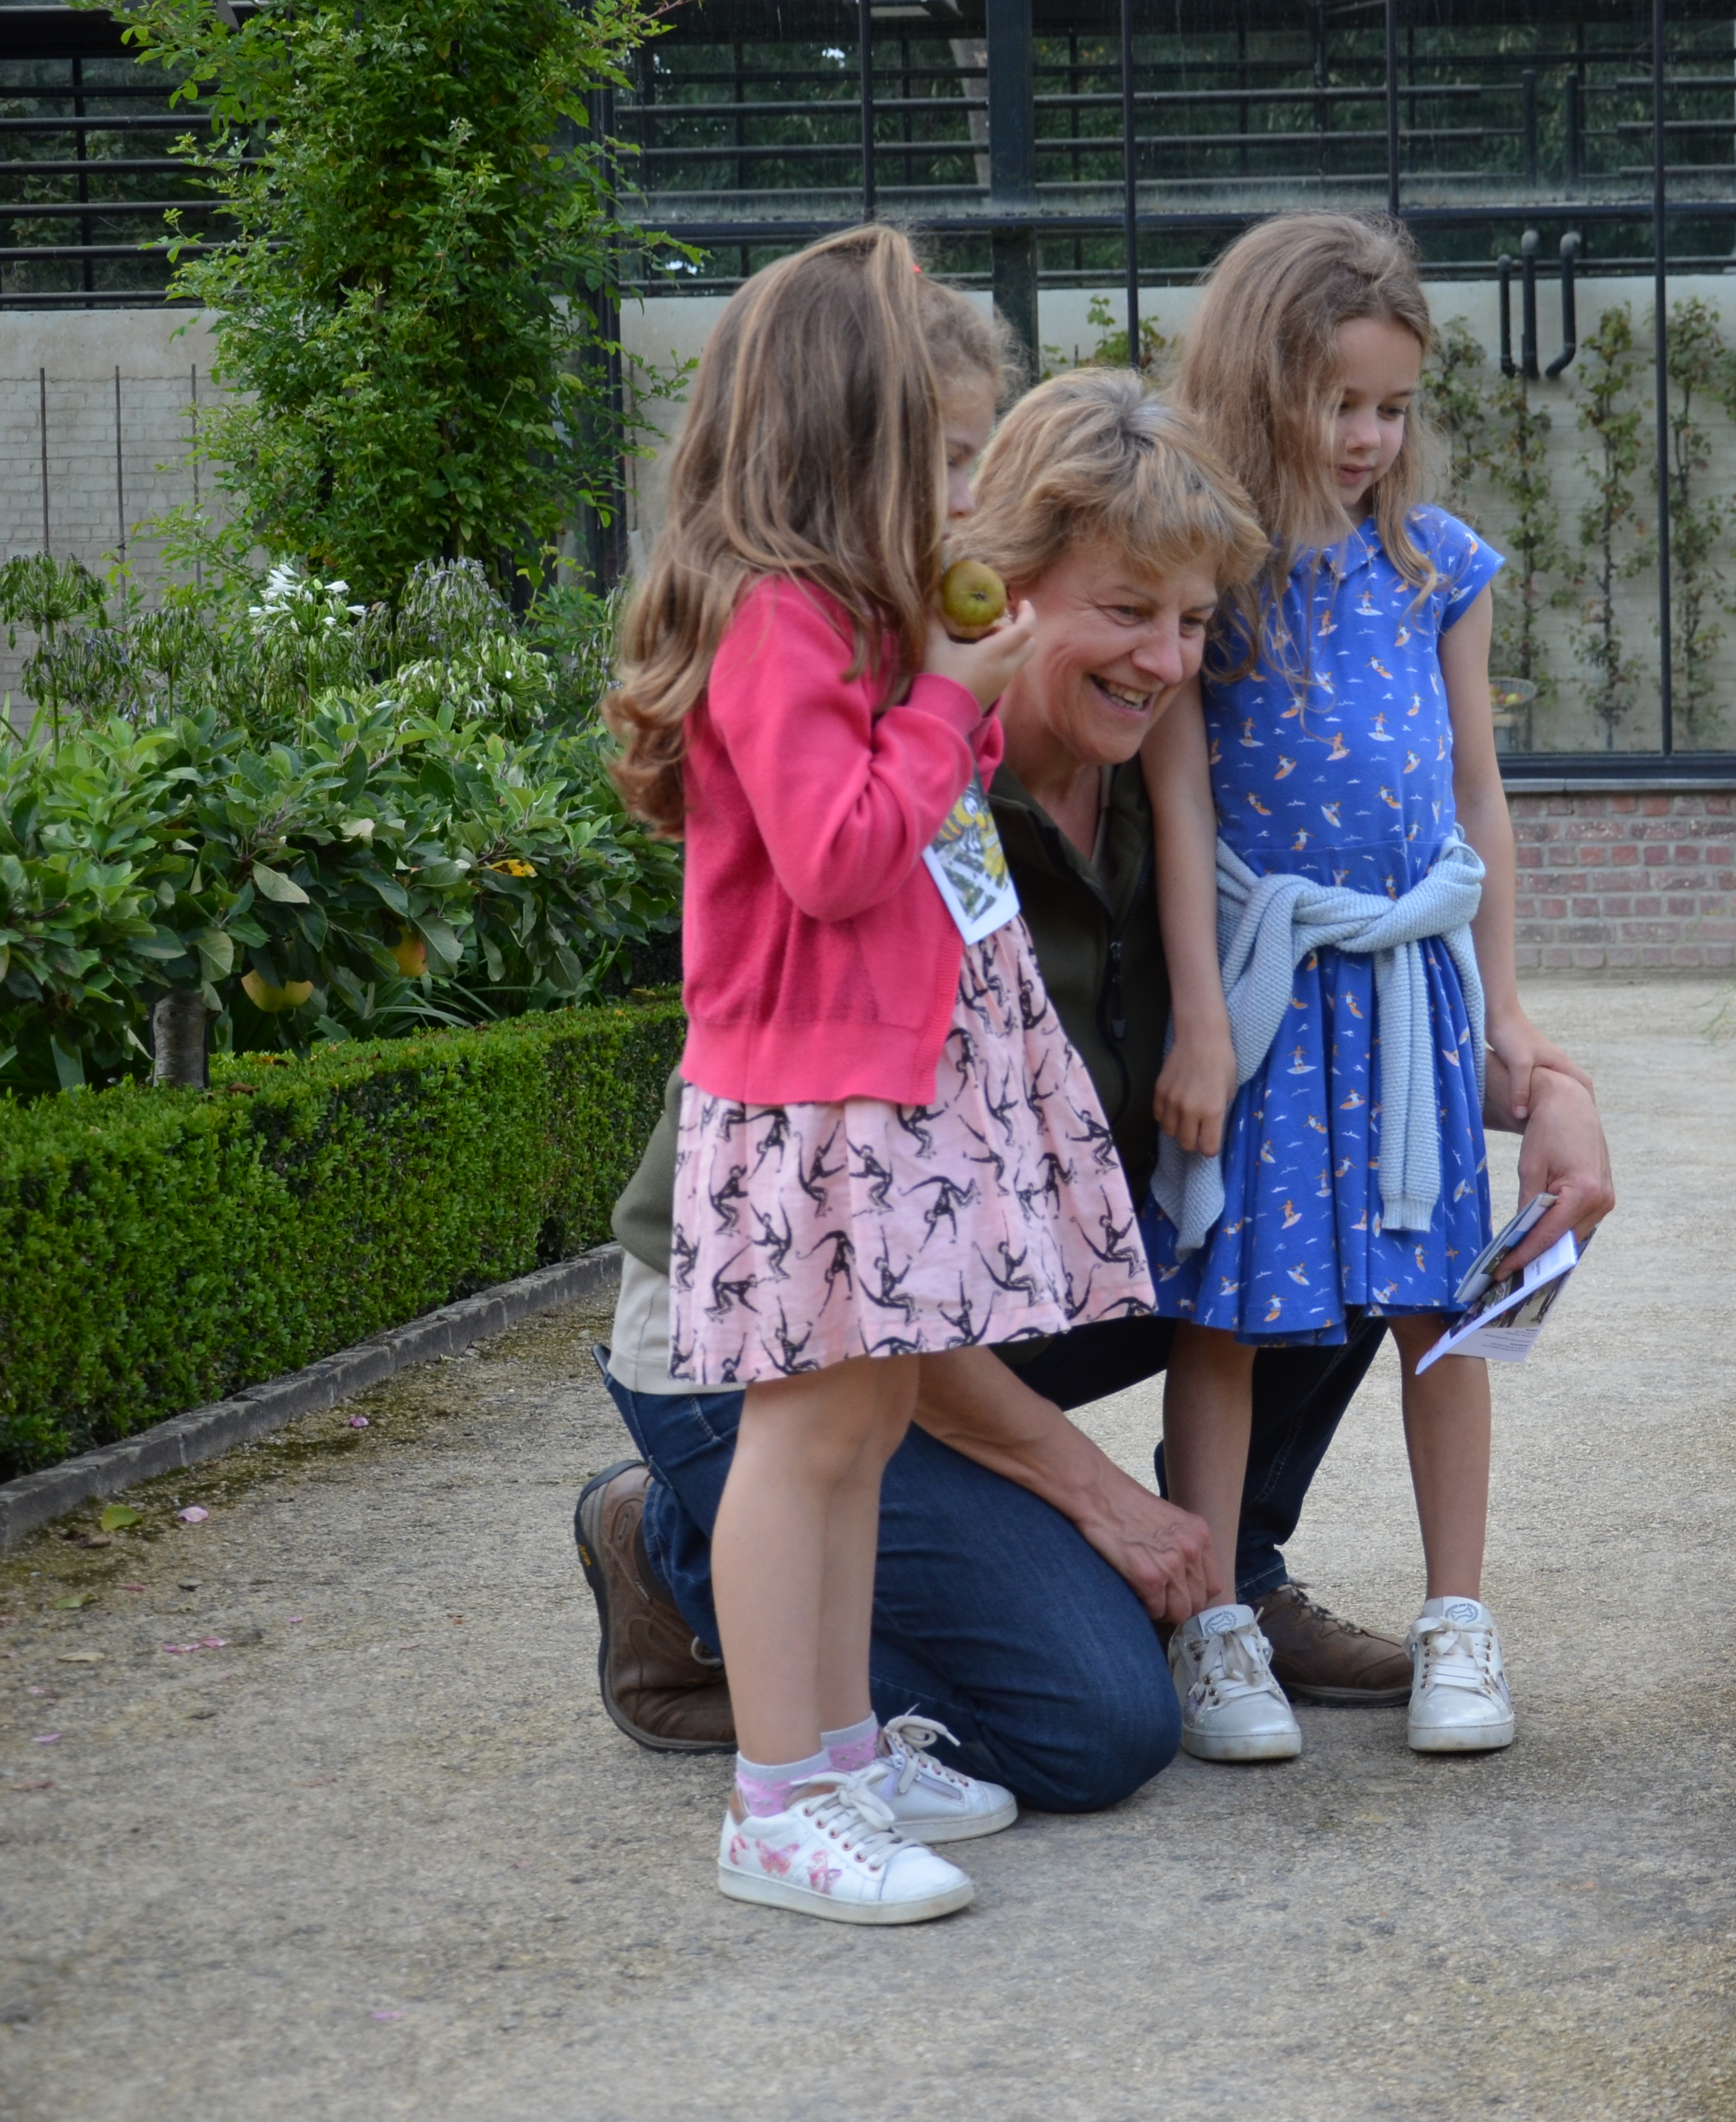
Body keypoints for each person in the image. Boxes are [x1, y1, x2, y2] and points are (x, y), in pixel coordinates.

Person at [577, 368, 1618, 1823]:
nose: (1166, 661)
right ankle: (680, 1558)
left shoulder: (1169, 799)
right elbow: (869, 1238)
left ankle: (1230, 1586)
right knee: (1091, 1727)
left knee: (1313, 1208)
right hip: (773, 1331)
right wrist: (1093, 1492)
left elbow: (1342, 1028)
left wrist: (1547, 1081)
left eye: (1194, 624)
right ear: (998, 589)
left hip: (989, 1287)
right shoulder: (917, 789)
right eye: (1123, 612)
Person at [600, 227, 1164, 1925]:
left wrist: (938, 688)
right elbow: (844, 854)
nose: (965, 489)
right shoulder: (778, 621)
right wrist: (941, 692)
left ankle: (836, 1746)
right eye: (942, 454)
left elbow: (909, 805)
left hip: (875, 1092)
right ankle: (780, 1802)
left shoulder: (847, 619)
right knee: (807, 1438)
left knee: (851, 1430)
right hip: (809, 1104)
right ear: (837, 443)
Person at [1141, 212, 1572, 1766]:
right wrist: (1202, 1017)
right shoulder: (1211, 578)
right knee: (1230, 1313)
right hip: (1271, 1000)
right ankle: (1214, 1625)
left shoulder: (1432, 565)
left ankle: (1459, 1618)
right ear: (1258, 385)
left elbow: (1479, 791)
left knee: (1437, 1311)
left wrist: (1506, 1009)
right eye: (1336, 403)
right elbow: (1180, 807)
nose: (1366, 437)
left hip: (1412, 997)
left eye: (1390, 407)